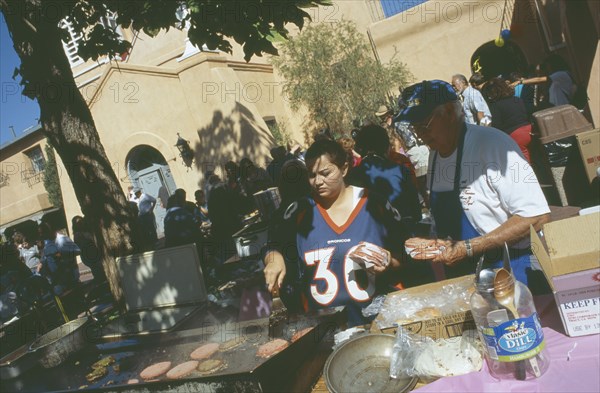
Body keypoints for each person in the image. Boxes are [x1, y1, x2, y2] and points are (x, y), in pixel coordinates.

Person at [397, 80, 550, 286]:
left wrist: (468, 248)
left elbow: (536, 215)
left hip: (511, 272)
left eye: (425, 124)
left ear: (451, 112)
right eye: (414, 127)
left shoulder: (494, 144)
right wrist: (434, 242)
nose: (420, 134)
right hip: (466, 278)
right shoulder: (435, 155)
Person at [263, 139, 409, 327]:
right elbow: (273, 244)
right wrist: (274, 257)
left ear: (344, 169)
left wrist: (389, 261)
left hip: (378, 323)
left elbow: (408, 254)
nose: (318, 182)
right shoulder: (298, 212)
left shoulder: (374, 204)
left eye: (325, 173)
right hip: (324, 330)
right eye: (311, 174)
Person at [482, 77, 533, 162]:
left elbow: (497, 126)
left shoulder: (496, 105)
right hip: (529, 130)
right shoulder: (517, 99)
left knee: (523, 161)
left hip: (515, 135)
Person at [513, 54, 577, 107]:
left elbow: (540, 79)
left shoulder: (561, 74)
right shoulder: (554, 79)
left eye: (547, 66)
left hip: (563, 108)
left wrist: (520, 82)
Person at [72, 216, 106, 283]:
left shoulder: (86, 231)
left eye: (81, 221)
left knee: (100, 271)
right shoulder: (78, 235)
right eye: (78, 223)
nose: (81, 223)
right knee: (98, 272)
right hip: (90, 255)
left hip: (93, 254)